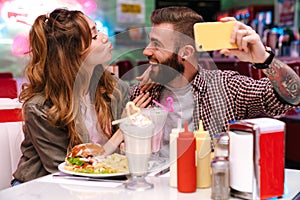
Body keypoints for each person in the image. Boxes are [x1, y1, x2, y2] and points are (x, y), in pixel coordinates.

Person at [130, 6, 300, 157]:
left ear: (186, 53)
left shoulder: (225, 88)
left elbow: (294, 96)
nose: (146, 51)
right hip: (152, 189)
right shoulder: (143, 93)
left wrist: (263, 58)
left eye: (156, 44)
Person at [12, 8, 130, 185]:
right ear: (72, 54)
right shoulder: (41, 108)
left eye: (97, 30)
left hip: (103, 183)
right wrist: (121, 134)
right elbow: (67, 170)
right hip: (43, 187)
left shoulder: (114, 88)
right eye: (94, 37)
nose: (105, 38)